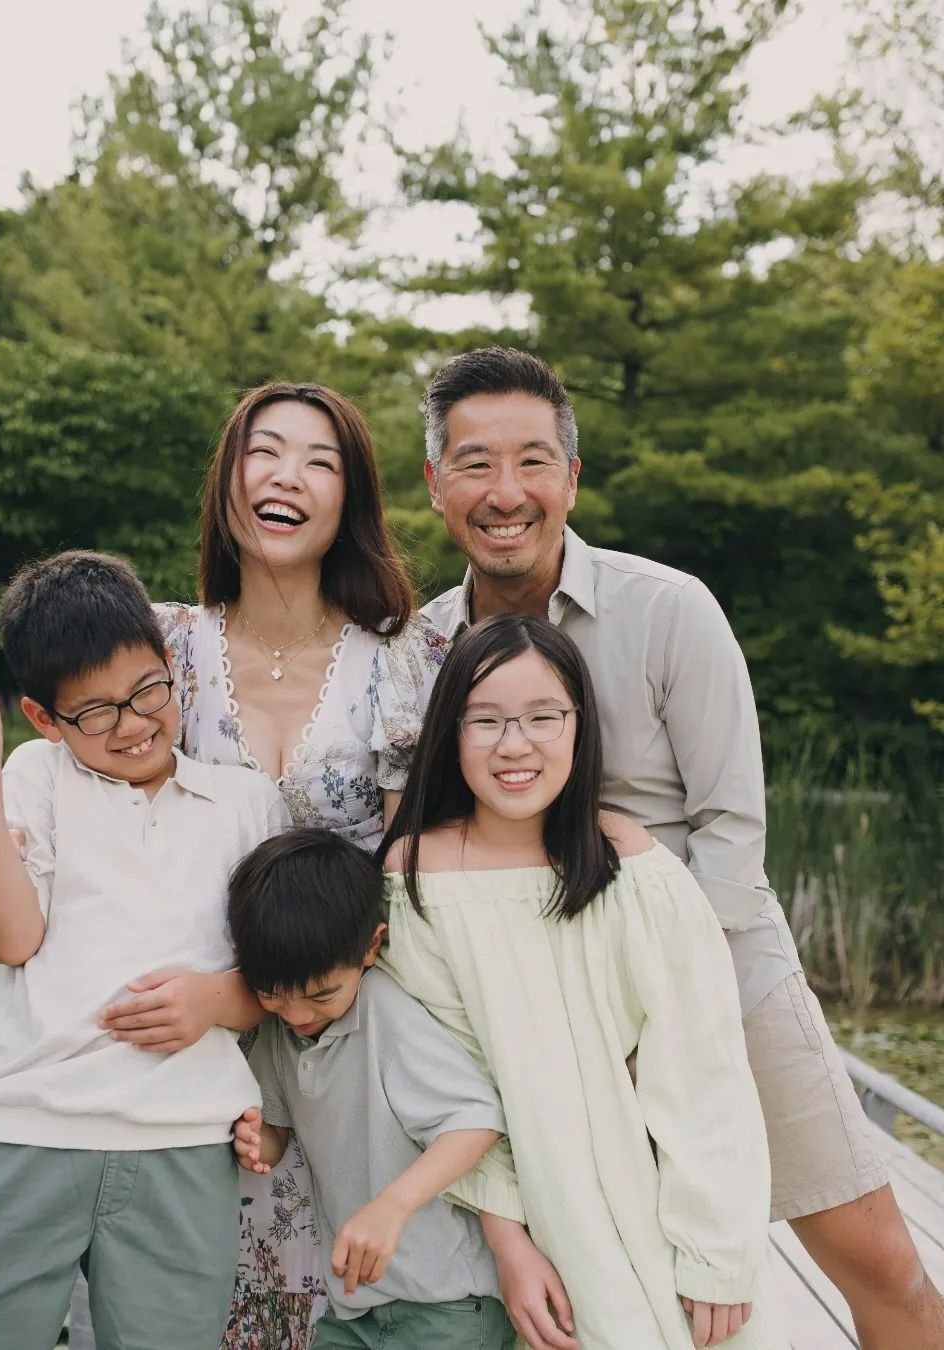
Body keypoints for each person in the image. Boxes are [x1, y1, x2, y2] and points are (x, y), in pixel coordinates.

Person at [419, 346, 944, 1348]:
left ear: (572, 477)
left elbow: (732, 833)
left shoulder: (668, 608)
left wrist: (655, 1004)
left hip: (720, 982)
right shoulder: (422, 646)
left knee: (878, 1256)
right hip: (544, 1018)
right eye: (474, 463)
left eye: (533, 460)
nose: (505, 492)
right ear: (436, 483)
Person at [0, 551, 288, 1350]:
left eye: (147, 692)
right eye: (96, 712)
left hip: (183, 1142)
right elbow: (11, 938)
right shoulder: (35, 773)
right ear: (45, 718)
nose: (134, 724)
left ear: (171, 669)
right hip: (21, 1126)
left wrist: (213, 999)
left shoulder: (247, 803)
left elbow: (280, 983)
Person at [379, 614, 786, 1350]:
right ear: (451, 730)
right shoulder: (418, 875)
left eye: (543, 718)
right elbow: (450, 1077)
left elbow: (702, 1068)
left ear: (579, 725)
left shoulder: (631, 865)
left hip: (658, 1196)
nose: (516, 745)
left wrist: (717, 1251)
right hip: (532, 1211)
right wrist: (510, 1243)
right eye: (487, 721)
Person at [145, 382, 448, 1345]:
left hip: (342, 1047)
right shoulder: (167, 650)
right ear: (228, 482)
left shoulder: (406, 656)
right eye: (264, 452)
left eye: (321, 461)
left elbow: (411, 870)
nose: (288, 476)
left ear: (349, 501)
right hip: (186, 1046)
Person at [226, 827, 518, 1350]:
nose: (297, 1014)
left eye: (320, 995)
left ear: (371, 947)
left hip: (444, 1303)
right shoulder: (281, 1028)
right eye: (273, 995)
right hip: (355, 1306)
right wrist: (255, 1142)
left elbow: (476, 1121)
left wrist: (392, 1206)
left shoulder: (385, 1013)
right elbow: (277, 1130)